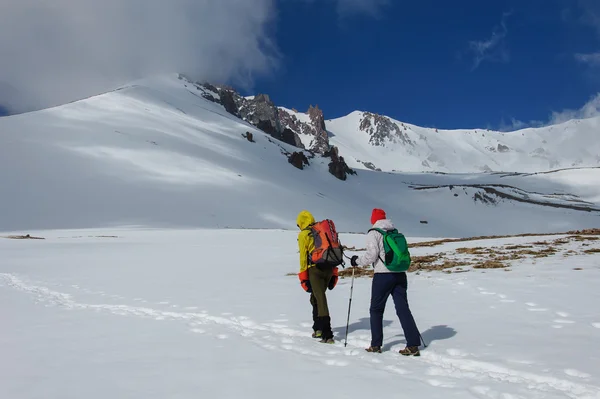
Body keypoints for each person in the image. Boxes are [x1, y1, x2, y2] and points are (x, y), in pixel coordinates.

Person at [350, 208, 422, 356]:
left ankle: (376, 345)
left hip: (383, 275)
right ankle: (413, 344)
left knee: (376, 310)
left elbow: (371, 255)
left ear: (374, 219)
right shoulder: (394, 232)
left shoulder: (374, 233)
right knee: (403, 309)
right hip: (400, 274)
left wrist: (357, 261)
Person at [296, 210, 337, 344]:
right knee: (315, 298)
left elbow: (303, 257)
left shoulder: (304, 234)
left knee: (320, 299)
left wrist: (303, 277)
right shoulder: (323, 231)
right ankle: (318, 328)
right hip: (329, 268)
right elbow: (334, 250)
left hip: (315, 270)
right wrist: (334, 273)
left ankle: (327, 334)